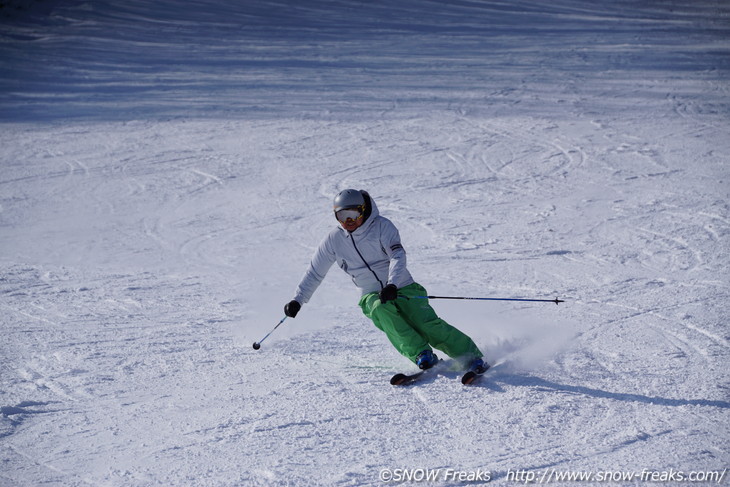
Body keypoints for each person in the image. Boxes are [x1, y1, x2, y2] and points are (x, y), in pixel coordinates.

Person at [284, 189, 489, 373]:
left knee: (426, 324)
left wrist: (392, 283)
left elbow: (397, 257)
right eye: (342, 216)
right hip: (370, 293)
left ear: (363, 210)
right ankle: (421, 354)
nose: (348, 221)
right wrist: (298, 300)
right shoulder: (333, 240)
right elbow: (315, 272)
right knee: (379, 308)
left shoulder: (382, 227)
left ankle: (470, 355)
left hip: (402, 286)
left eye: (353, 214)